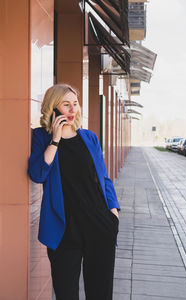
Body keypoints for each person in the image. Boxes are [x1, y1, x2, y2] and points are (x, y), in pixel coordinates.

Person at [27, 83, 121, 300]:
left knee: (100, 293)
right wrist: (56, 139)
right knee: (66, 293)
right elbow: (38, 174)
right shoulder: (41, 137)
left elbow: (104, 179)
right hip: (63, 230)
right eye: (66, 104)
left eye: (75, 104)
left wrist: (113, 211)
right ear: (53, 108)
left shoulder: (89, 138)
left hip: (99, 225)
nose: (71, 110)